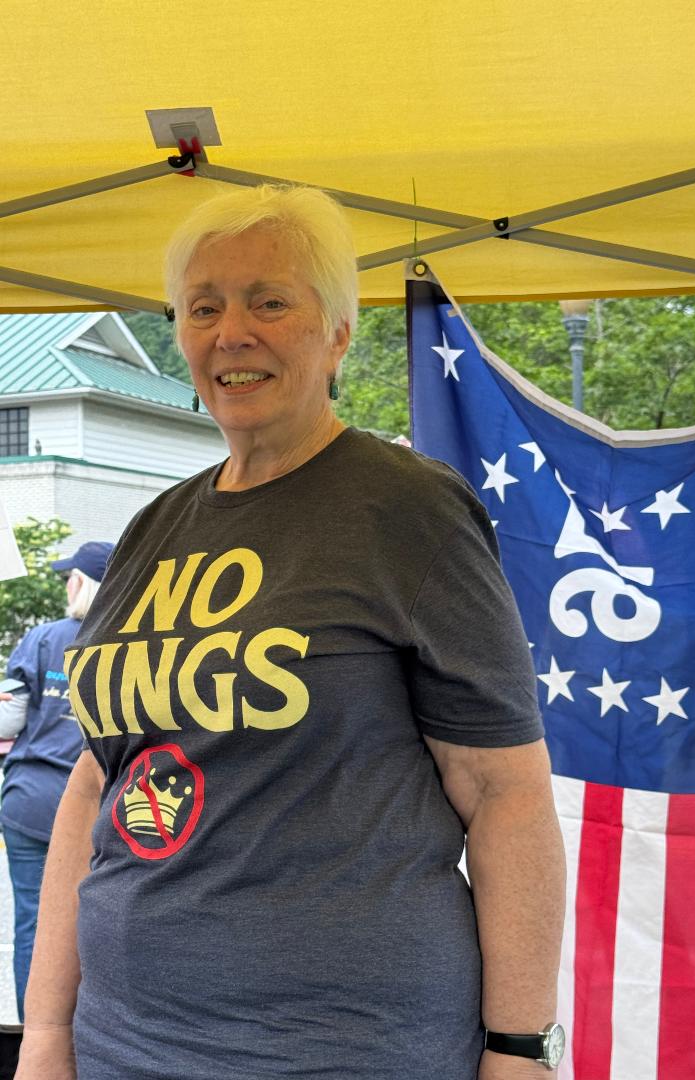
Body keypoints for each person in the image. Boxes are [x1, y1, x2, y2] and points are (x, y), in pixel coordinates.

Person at [16, 185, 566, 1080]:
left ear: (338, 332)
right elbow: (94, 785)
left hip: (343, 1047)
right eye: (203, 308)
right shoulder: (152, 530)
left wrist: (518, 1047)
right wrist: (46, 1032)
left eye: (269, 301)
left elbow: (503, 791)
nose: (232, 332)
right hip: (125, 1040)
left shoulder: (410, 510)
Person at [0, 541, 112, 1022]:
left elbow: (8, 721)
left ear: (80, 583)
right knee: (94, 927)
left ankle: (35, 1034)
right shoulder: (128, 644)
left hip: (30, 801)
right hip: (101, 809)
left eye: (70, 578)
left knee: (33, 924)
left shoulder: (42, 638)